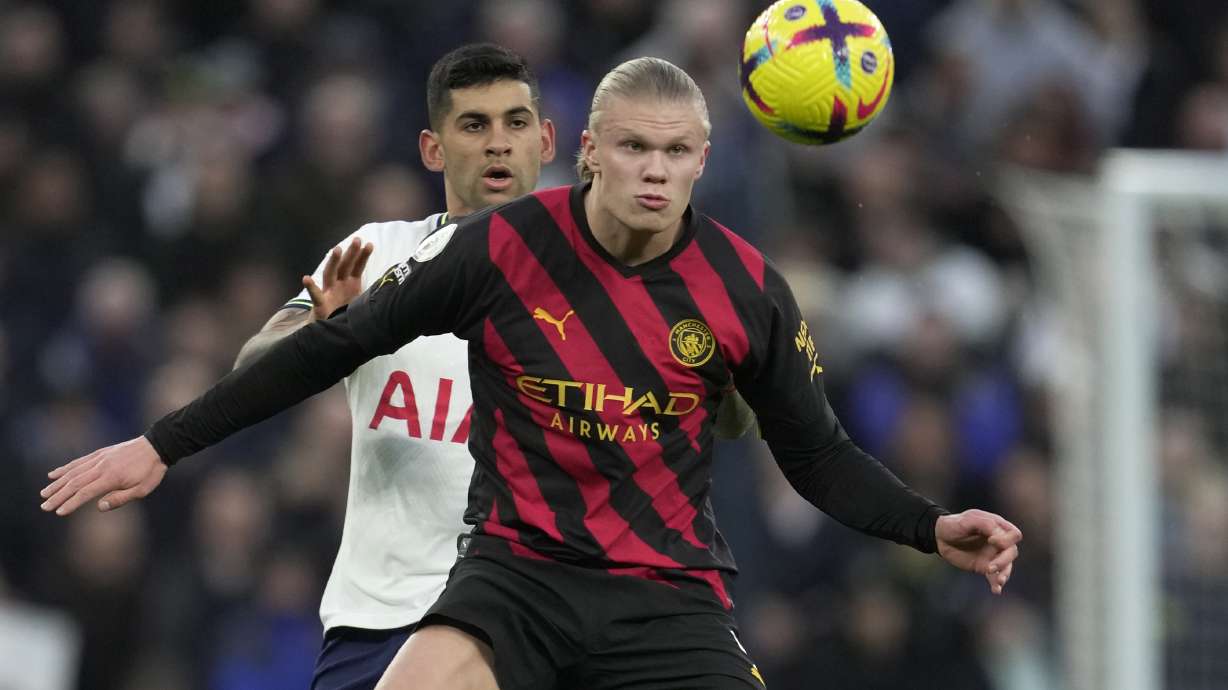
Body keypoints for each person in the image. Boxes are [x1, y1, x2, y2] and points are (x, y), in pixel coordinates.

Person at [41, 57, 1021, 690]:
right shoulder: (500, 249)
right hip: (516, 581)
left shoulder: (745, 289)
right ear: (586, 150)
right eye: (632, 146)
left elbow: (820, 456)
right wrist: (161, 442)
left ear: (701, 161)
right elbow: (329, 349)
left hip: (665, 597)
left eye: (674, 152)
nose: (651, 169)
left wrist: (927, 527)